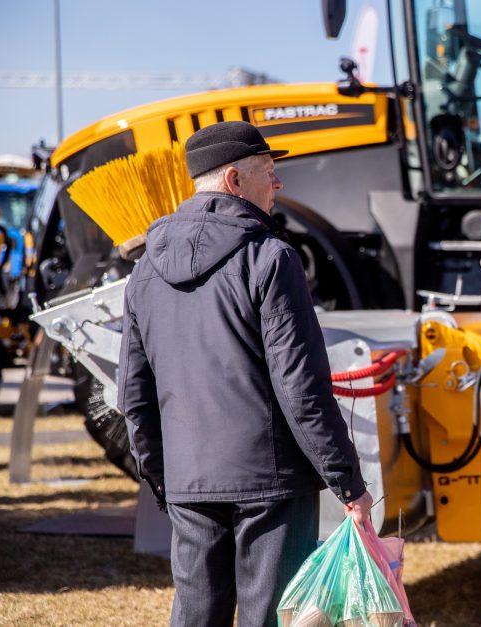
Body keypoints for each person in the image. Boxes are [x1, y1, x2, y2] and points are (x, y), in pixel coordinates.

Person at [118, 120, 374, 627]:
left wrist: (165, 480)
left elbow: (134, 394)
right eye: (270, 172)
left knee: (195, 616)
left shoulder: (144, 272)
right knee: (268, 618)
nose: (278, 184)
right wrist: (348, 484)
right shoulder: (271, 258)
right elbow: (301, 387)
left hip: (190, 480)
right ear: (234, 181)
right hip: (272, 487)